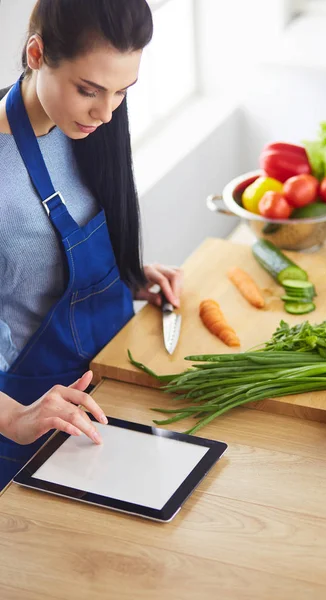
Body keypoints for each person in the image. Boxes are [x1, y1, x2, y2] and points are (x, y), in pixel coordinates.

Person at [0, 0, 183, 488]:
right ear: (36, 54)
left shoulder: (82, 125)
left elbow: (44, 256)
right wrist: (13, 418)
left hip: (113, 383)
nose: (105, 113)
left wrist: (124, 275)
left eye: (122, 91)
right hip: (32, 420)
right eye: (89, 91)